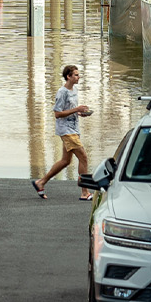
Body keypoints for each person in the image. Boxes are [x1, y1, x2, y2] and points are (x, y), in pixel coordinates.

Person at [32, 65, 93, 200]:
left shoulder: (74, 90)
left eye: (78, 74)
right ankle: (84, 192)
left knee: (65, 161)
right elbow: (57, 113)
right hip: (66, 130)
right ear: (68, 77)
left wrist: (80, 113)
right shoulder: (62, 92)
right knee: (83, 157)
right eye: (76, 75)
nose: (78, 77)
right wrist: (76, 108)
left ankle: (41, 182)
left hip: (74, 128)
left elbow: (70, 109)